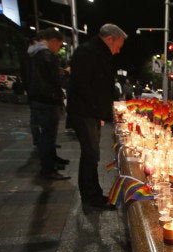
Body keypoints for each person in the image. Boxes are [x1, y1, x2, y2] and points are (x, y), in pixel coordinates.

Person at [67, 23, 127, 210]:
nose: (117, 51)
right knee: (91, 154)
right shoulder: (87, 53)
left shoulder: (98, 53)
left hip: (90, 112)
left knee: (92, 155)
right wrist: (98, 109)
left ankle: (92, 194)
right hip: (85, 113)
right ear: (109, 39)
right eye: (117, 46)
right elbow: (84, 86)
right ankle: (91, 197)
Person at [26, 28, 70, 180]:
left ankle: (52, 161)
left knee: (48, 135)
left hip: (39, 99)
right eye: (59, 45)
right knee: (47, 136)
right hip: (47, 100)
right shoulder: (45, 55)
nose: (59, 49)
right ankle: (48, 170)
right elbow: (54, 80)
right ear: (53, 41)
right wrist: (65, 74)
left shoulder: (33, 54)